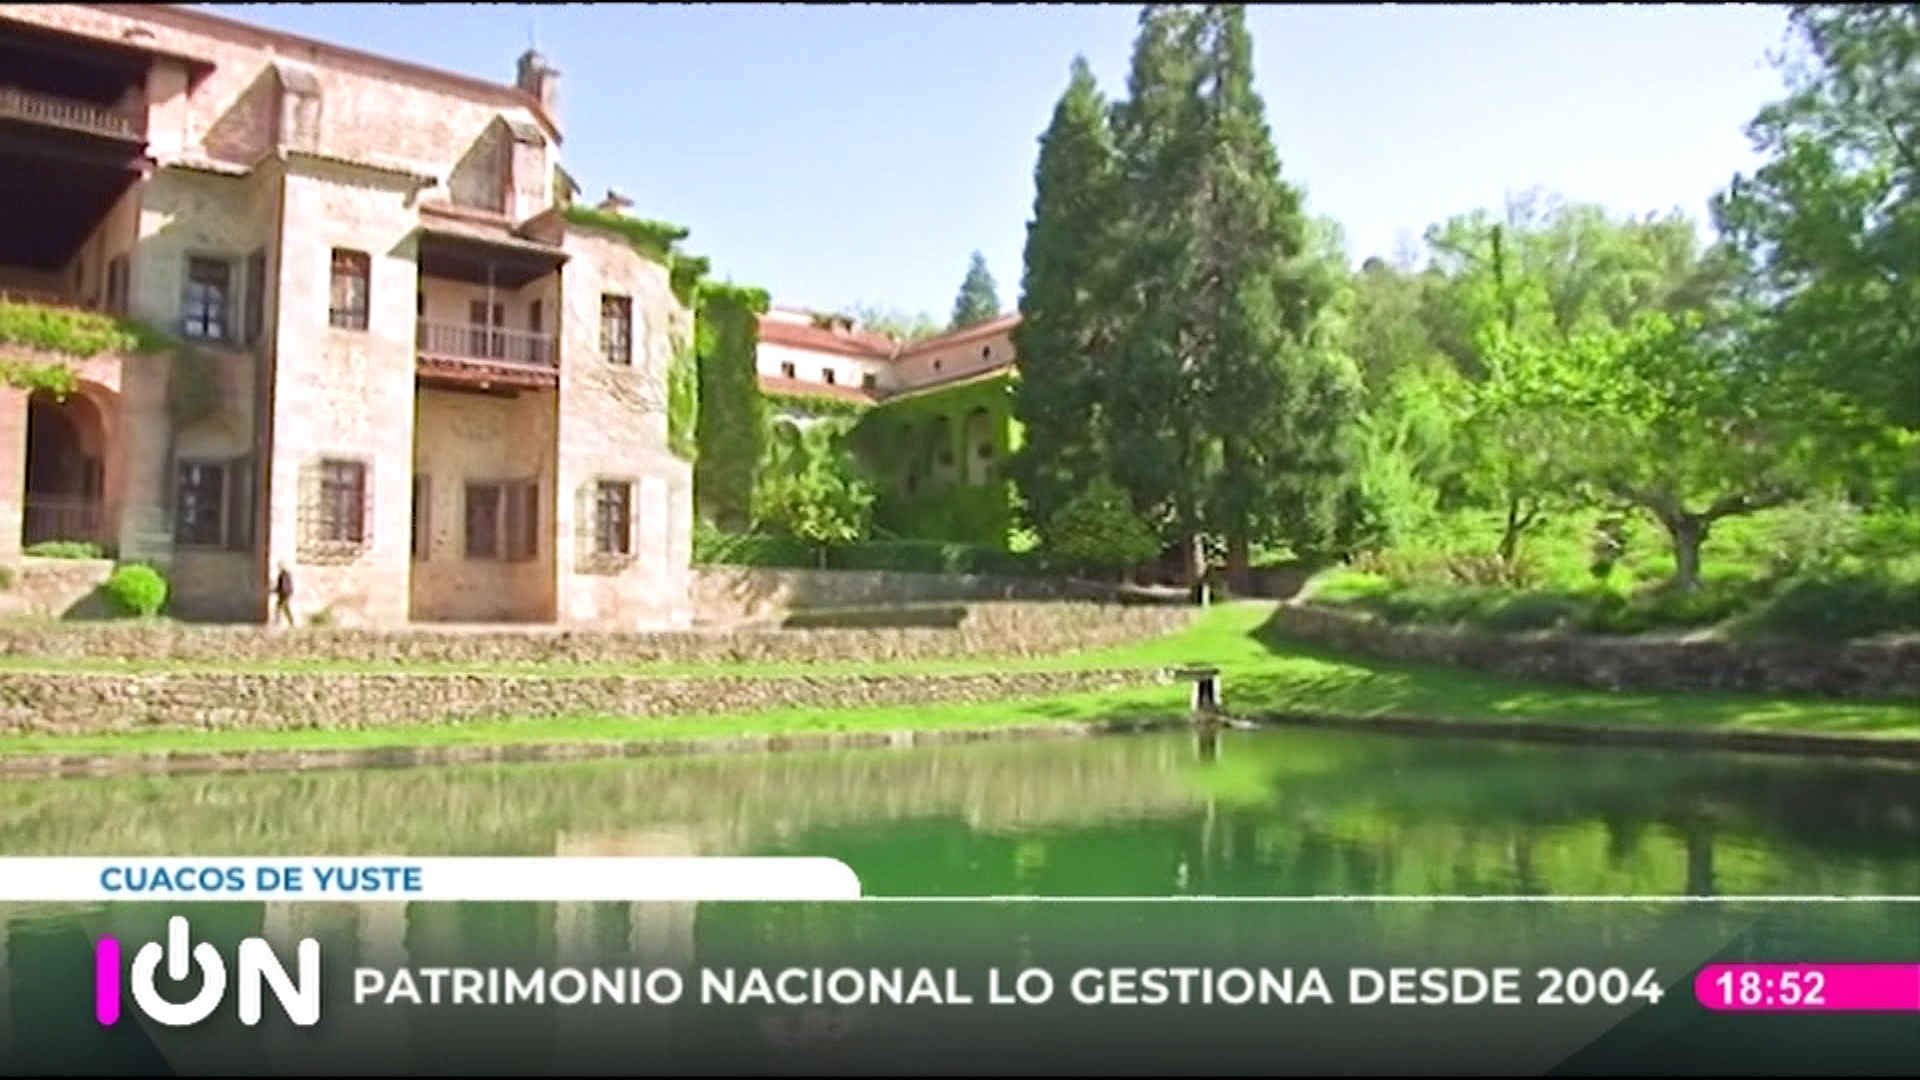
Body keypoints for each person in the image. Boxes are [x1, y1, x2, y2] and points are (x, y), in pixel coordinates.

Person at [272, 563, 296, 628]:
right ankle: (277, 622)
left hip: (286, 594)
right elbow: (279, 586)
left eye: (280, 567)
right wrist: (274, 590)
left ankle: (291, 623)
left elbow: (289, 586)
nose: (279, 568)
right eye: (279, 567)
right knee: (278, 607)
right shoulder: (280, 575)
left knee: (285, 608)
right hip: (281, 594)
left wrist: (288, 593)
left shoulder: (287, 575)